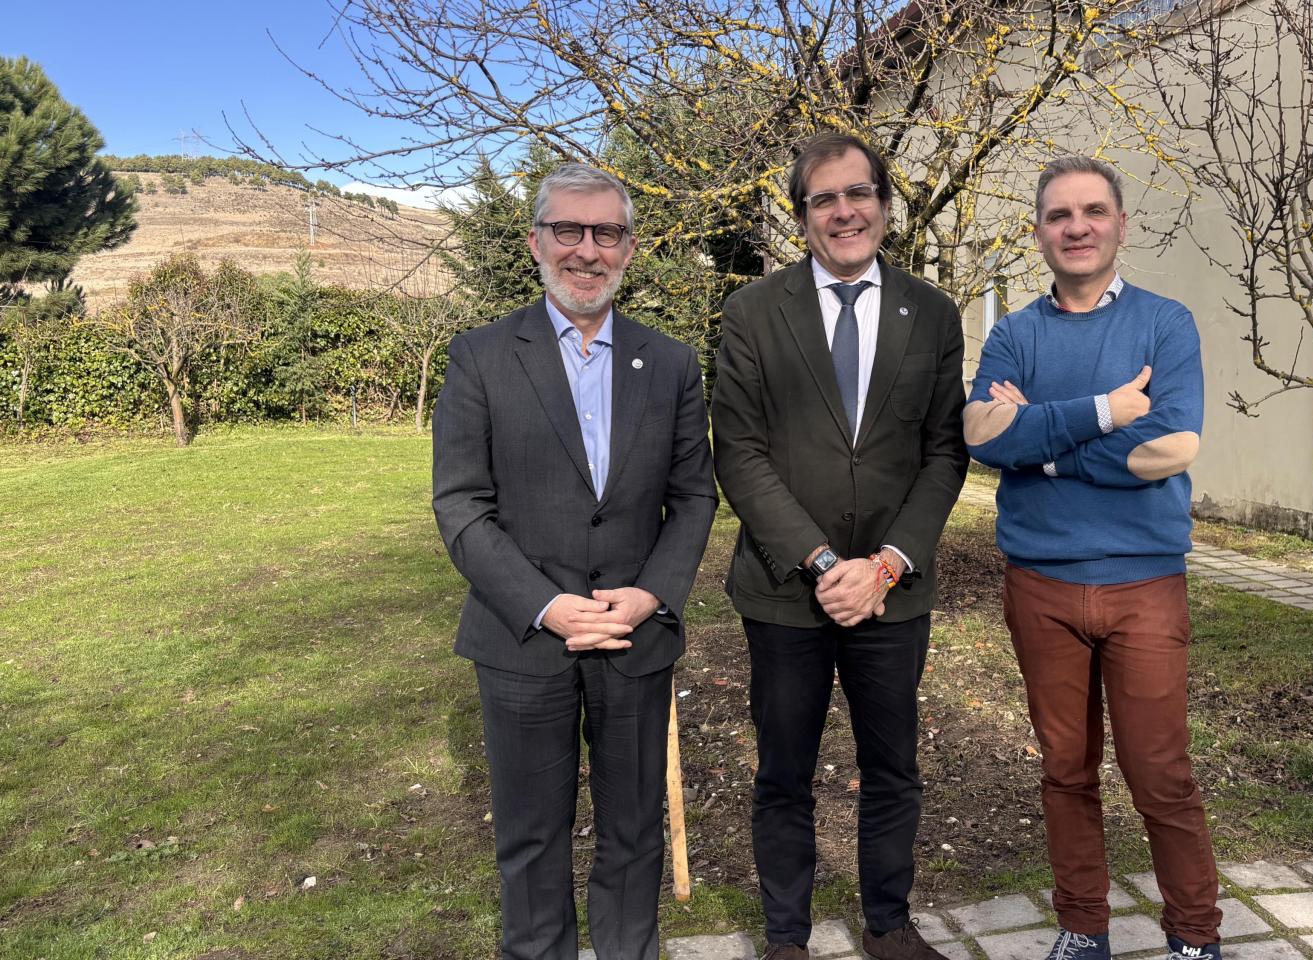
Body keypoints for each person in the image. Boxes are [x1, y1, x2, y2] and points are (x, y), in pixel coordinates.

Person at [431, 163, 717, 960]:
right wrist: (548, 606)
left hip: (634, 637)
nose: (587, 250)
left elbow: (695, 497)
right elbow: (461, 504)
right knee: (530, 840)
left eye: (606, 233)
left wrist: (653, 594)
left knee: (635, 833)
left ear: (630, 248)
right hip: (523, 640)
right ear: (535, 241)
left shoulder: (671, 364)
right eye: (568, 229)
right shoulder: (481, 357)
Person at [711, 132, 969, 960]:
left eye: (859, 193)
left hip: (894, 591)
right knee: (784, 771)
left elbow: (944, 452)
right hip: (787, 590)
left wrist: (886, 565)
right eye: (823, 198)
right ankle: (786, 936)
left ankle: (888, 925)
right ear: (802, 217)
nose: (844, 211)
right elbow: (738, 452)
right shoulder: (754, 312)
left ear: (885, 206)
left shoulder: (933, 314)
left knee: (892, 767)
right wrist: (825, 564)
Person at [963, 156, 1222, 960]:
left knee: (1160, 773)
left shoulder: (1165, 324)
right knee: (1065, 770)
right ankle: (1083, 929)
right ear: (1040, 232)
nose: (1077, 227)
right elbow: (980, 437)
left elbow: (1170, 448)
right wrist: (1106, 411)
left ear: (1120, 225)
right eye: (1059, 215)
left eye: (1093, 211)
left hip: (1144, 586)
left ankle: (1194, 937)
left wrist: (1038, 442)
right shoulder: (1014, 332)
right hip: (1041, 586)